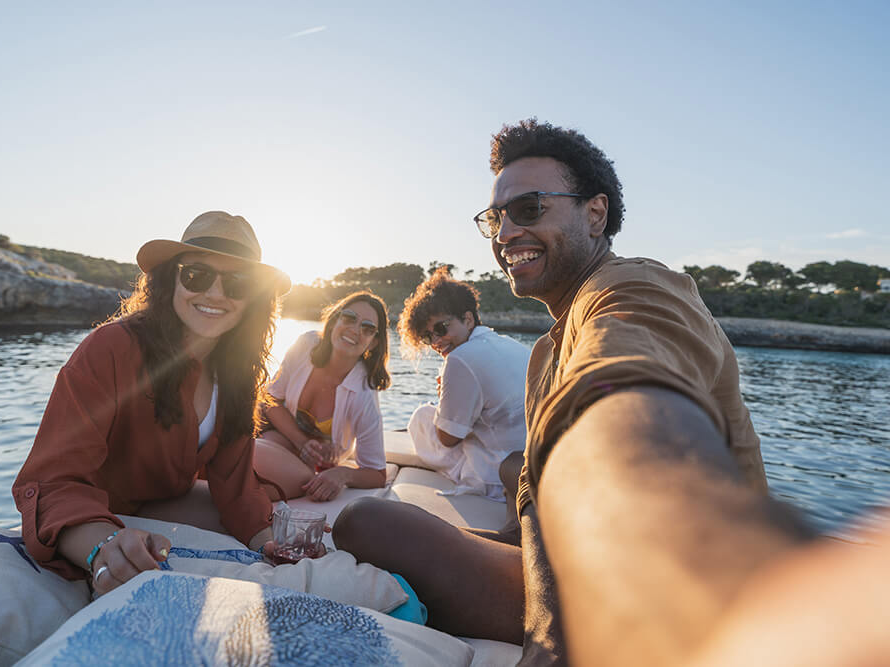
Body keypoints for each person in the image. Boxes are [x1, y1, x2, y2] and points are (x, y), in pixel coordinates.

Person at [334, 119, 815, 664]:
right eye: (496, 218)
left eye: (530, 208)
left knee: (368, 522)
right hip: (571, 560)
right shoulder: (546, 349)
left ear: (595, 212)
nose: (505, 232)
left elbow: (623, 396)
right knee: (430, 502)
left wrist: (552, 644)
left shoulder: (634, 287)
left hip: (648, 590)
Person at [13, 211, 291, 596]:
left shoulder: (237, 371)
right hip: (91, 513)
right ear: (169, 279)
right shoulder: (111, 348)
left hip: (162, 501)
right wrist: (103, 546)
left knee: (281, 502)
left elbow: (235, 482)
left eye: (238, 283)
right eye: (197, 275)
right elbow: (53, 479)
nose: (215, 293)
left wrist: (266, 543)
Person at [398, 268, 529, 505]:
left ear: (468, 319)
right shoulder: (512, 344)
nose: (436, 341)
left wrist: (442, 401)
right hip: (527, 466)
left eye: (441, 328)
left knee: (421, 417)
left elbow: (447, 439)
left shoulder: (460, 359)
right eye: (428, 337)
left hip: (493, 479)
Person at [254, 291, 391, 502]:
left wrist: (342, 474)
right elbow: (270, 398)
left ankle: (231, 498)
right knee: (254, 448)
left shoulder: (364, 394)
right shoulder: (306, 344)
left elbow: (377, 474)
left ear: (373, 342)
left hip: (312, 464)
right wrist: (301, 442)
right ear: (336, 319)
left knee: (301, 479)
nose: (355, 330)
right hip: (281, 435)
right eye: (349, 318)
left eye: (367, 328)